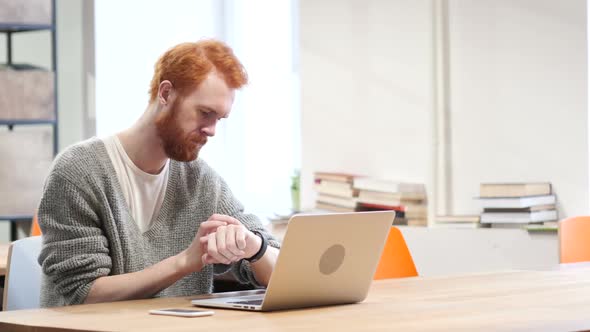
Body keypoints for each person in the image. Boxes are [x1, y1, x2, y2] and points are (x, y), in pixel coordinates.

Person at [37, 39, 280, 307]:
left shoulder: (200, 181)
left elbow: (280, 269)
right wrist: (184, 262)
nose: (211, 129)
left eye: (218, 119)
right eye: (204, 113)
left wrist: (254, 247)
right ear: (165, 94)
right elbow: (83, 293)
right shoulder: (78, 172)